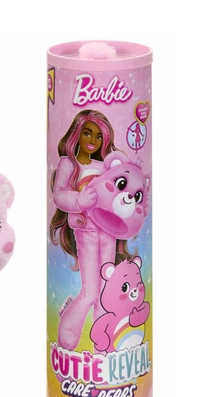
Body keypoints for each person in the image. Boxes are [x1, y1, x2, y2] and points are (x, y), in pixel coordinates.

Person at [50, 109, 134, 351]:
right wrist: (78, 200)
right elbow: (59, 195)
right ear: (77, 133)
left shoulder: (104, 166)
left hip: (108, 232)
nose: (92, 140)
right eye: (87, 133)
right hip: (86, 232)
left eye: (98, 136)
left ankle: (102, 343)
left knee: (105, 290)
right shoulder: (69, 164)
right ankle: (67, 334)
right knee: (90, 291)